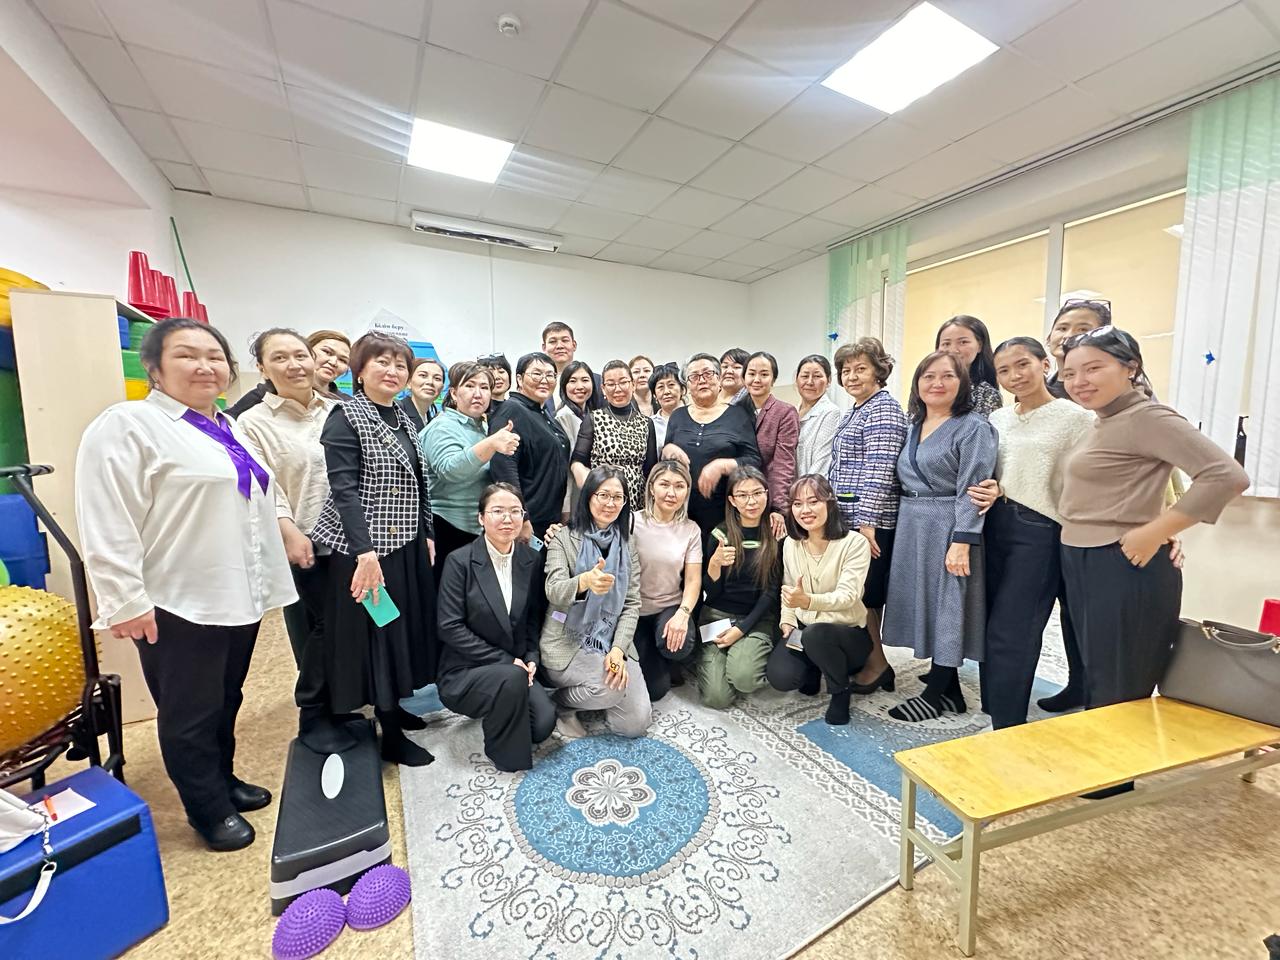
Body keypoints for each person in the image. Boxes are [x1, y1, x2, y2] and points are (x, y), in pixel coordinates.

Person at [76, 317, 295, 852]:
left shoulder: (227, 426)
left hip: (238, 592)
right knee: (189, 711)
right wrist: (124, 598)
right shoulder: (129, 425)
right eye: (187, 355)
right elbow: (106, 518)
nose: (205, 366)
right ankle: (207, 808)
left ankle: (223, 779)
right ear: (154, 368)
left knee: (225, 697)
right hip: (177, 598)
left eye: (215, 356)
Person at [1056, 327, 1247, 770]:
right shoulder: (1103, 420)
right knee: (1099, 670)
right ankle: (1102, 768)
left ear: (1131, 368)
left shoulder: (1148, 417)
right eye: (1070, 373)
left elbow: (1226, 475)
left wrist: (1158, 531)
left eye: (1093, 368)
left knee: (1120, 678)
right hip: (1083, 554)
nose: (1079, 381)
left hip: (1123, 560)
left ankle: (1113, 776)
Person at [310, 332, 438, 766]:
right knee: (379, 636)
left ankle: (395, 706)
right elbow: (344, 490)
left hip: (406, 545)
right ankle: (389, 732)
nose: (392, 371)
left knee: (400, 630)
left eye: (400, 365)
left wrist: (426, 534)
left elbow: (419, 483)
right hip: (368, 553)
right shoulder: (346, 417)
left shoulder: (402, 417)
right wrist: (364, 555)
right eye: (381, 362)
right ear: (360, 371)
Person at [964, 338, 1094, 730]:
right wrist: (993, 487)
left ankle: (1008, 725)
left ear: (1045, 364)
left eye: (1023, 365)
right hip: (994, 523)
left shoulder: (1075, 418)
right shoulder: (999, 418)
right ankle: (997, 707)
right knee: (990, 620)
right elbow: (997, 471)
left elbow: (1088, 479)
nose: (1014, 376)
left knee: (1015, 627)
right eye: (1004, 370)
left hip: (1040, 529)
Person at [235, 328, 342, 755]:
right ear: (262, 368)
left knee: (352, 626)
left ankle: (346, 702)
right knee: (317, 631)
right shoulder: (252, 422)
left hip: (354, 540)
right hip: (305, 540)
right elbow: (262, 486)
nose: (294, 365)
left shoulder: (337, 409)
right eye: (280, 358)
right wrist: (289, 532)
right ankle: (314, 714)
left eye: (300, 355)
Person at [882, 351, 997, 722]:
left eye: (947, 376)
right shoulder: (914, 424)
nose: (937, 383)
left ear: (962, 383)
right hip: (912, 522)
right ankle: (952, 692)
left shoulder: (973, 427)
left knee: (949, 605)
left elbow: (973, 488)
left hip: (950, 523)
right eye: (928, 376)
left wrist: (962, 540)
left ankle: (933, 695)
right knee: (927, 603)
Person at [436, 483, 556, 771]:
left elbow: (531, 619)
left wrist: (531, 657)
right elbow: (449, 627)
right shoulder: (459, 561)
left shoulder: (530, 559)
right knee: (512, 679)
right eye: (497, 511)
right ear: (481, 518)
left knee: (542, 725)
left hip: (515, 667)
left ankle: (500, 706)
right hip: (466, 669)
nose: (507, 519)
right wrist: (507, 662)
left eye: (515, 511)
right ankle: (504, 756)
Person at [541, 466, 651, 739]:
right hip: (568, 639)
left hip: (609, 638)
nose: (610, 503)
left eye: (617, 497)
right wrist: (584, 582)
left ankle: (597, 693)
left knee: (635, 724)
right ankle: (561, 704)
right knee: (610, 689)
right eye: (603, 495)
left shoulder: (627, 543)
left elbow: (631, 604)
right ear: (588, 496)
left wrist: (618, 650)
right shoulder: (563, 538)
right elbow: (553, 591)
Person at [828, 338, 908, 694]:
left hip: (870, 524)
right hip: (850, 520)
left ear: (879, 371)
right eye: (846, 370)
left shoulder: (884, 410)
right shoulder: (857, 409)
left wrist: (867, 524)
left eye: (861, 369)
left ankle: (878, 666)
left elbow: (880, 470)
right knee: (856, 594)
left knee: (866, 597)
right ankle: (869, 659)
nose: (852, 376)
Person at [766, 475, 873, 726]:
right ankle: (814, 667)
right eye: (797, 504)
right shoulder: (791, 543)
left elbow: (849, 596)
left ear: (830, 503)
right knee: (780, 677)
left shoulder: (855, 543)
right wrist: (787, 621)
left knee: (816, 635)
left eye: (813, 501)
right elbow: (788, 589)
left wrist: (808, 602)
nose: (805, 510)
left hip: (846, 634)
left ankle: (840, 690)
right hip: (805, 628)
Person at [420, 361, 521, 582]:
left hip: (479, 528)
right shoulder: (442, 426)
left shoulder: (483, 427)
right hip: (447, 527)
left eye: (484, 387)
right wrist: (491, 444)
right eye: (469, 386)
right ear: (453, 393)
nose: (478, 393)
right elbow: (450, 470)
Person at [698, 466, 780, 709]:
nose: (751, 502)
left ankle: (747, 653)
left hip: (756, 618)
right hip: (717, 616)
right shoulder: (720, 534)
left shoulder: (776, 532)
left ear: (767, 494)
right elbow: (710, 594)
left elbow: (771, 592)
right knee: (716, 699)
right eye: (742, 495)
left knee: (745, 679)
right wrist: (714, 565)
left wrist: (741, 630)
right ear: (732, 500)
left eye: (757, 493)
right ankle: (719, 657)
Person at [662, 353, 762, 540]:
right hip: (682, 510)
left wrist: (722, 465)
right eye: (694, 376)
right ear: (687, 385)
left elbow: (754, 461)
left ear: (719, 379)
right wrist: (666, 450)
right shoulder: (677, 416)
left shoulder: (738, 415)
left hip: (725, 511)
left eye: (708, 374)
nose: (702, 380)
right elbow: (665, 463)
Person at [632, 461, 702, 702]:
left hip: (669, 608)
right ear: (652, 487)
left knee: (680, 646)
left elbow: (693, 580)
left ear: (687, 491)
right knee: (655, 690)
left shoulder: (691, 530)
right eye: (664, 484)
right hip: (634, 611)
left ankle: (665, 653)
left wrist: (683, 614)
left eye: (679, 486)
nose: (671, 493)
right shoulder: (631, 522)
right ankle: (655, 654)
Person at [488, 351, 571, 540]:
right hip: (526, 524)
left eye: (550, 375)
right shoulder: (511, 410)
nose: (544, 380)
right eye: (537, 374)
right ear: (519, 378)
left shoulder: (542, 411)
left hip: (548, 522)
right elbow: (504, 469)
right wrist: (522, 517)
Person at [570, 359, 658, 512]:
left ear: (633, 384)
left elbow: (650, 469)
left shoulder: (646, 423)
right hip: (603, 500)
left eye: (623, 382)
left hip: (636, 502)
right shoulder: (593, 419)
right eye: (611, 384)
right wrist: (587, 479)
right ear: (603, 389)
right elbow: (577, 461)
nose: (617, 389)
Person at [226, 328, 352, 417]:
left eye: (343, 360)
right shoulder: (265, 394)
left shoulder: (347, 403)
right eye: (327, 352)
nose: (334, 362)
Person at [744, 350, 799, 539]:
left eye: (764, 374)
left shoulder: (785, 412)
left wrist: (778, 508)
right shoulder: (735, 411)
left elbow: (784, 464)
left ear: (773, 379)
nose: (757, 380)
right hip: (739, 500)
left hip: (769, 498)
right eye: (751, 373)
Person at [936, 315, 1002, 418]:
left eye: (963, 342)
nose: (953, 350)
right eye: (946, 344)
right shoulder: (928, 386)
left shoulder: (986, 394)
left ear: (979, 346)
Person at [1045, 299, 1110, 399]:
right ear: (1049, 337)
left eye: (1083, 329)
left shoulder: (1107, 389)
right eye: (1062, 328)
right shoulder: (1039, 388)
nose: (1068, 335)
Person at [555, 360, 596, 518]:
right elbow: (568, 464)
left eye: (585, 380)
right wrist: (566, 505)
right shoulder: (564, 416)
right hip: (572, 493)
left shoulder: (590, 414)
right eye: (572, 381)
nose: (580, 386)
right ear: (564, 386)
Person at [541, 321, 602, 415]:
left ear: (574, 345)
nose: (559, 346)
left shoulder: (597, 381)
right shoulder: (538, 383)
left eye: (565, 340)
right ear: (544, 348)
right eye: (553, 341)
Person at [794, 354, 841, 477]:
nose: (809, 382)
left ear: (829, 381)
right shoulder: (791, 412)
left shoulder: (831, 413)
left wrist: (805, 487)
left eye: (817, 376)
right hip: (789, 486)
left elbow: (821, 464)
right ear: (796, 379)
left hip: (812, 486)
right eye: (805, 376)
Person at [398, 356, 445, 433]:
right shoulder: (397, 412)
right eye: (423, 375)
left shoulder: (434, 421)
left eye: (437, 378)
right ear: (409, 382)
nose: (430, 382)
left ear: (442, 388)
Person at [649, 362, 685, 450]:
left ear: (682, 389)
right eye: (660, 387)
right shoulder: (650, 424)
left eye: (671, 385)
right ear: (654, 395)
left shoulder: (695, 417)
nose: (666, 392)